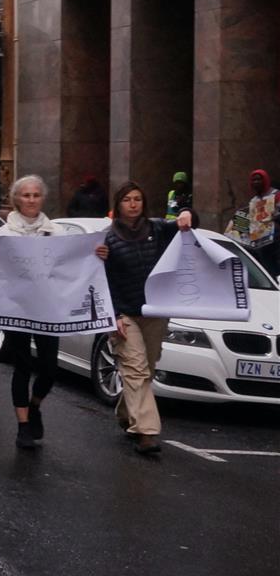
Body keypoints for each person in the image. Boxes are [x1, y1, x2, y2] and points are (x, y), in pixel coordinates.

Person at [95, 184, 193, 455]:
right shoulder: (107, 239)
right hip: (124, 313)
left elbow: (187, 223)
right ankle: (147, 432)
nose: (133, 204)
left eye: (138, 199)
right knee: (135, 368)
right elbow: (100, 280)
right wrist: (113, 316)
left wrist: (186, 212)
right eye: (127, 199)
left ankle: (128, 413)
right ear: (119, 204)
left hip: (155, 311)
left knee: (145, 368)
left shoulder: (158, 228)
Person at [0, 174, 62, 450]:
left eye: (36, 195)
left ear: (42, 198)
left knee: (49, 368)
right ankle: (23, 425)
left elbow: (70, 268)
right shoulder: (5, 234)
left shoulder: (56, 233)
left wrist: (97, 255)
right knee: (22, 364)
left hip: (47, 310)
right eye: (26, 195)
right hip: (17, 309)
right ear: (16, 199)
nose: (31, 200)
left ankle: (35, 405)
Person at [233, 169, 278, 277]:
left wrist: (274, 216)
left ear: (266, 180)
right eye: (254, 180)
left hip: (276, 241)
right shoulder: (253, 201)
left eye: (259, 179)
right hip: (261, 244)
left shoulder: (276, 195)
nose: (256, 182)